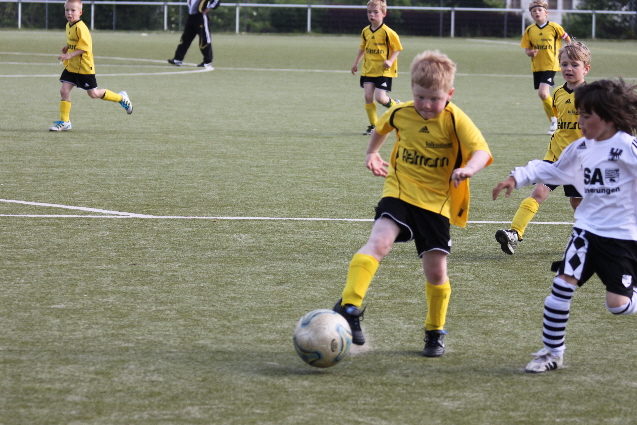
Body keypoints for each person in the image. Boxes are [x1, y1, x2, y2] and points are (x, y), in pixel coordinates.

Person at [333, 50, 492, 357]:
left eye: (435, 99)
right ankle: (349, 306)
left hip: (437, 203)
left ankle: (434, 330)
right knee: (379, 242)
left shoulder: (455, 118)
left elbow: (481, 151)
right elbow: (382, 128)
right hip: (400, 191)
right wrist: (371, 153)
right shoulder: (401, 112)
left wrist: (469, 169)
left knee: (436, 271)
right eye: (420, 97)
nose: (427, 105)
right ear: (411, 90)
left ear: (449, 95)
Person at [492, 78, 637, 373]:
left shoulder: (627, 148)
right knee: (560, 287)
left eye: (586, 116)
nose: (579, 121)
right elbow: (552, 170)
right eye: (579, 114)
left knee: (618, 305)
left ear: (608, 118)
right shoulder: (580, 148)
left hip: (621, 237)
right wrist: (517, 177)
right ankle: (552, 353)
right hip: (585, 233)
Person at [496, 41, 590, 255]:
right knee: (539, 191)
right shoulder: (557, 93)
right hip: (556, 157)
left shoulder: (593, 96)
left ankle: (588, 239)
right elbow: (560, 121)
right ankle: (514, 233)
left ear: (586, 69)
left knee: (577, 203)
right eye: (564, 64)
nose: (568, 69)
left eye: (574, 65)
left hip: (581, 161)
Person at [49, 0, 132, 132]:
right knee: (64, 91)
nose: (69, 13)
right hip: (72, 66)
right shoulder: (69, 25)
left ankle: (121, 98)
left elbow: (84, 47)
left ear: (80, 13)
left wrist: (70, 55)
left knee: (93, 94)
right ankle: (65, 122)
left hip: (84, 67)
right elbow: (75, 43)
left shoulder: (81, 28)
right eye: (67, 10)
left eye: (73, 10)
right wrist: (67, 48)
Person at [351, 0, 403, 136]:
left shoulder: (388, 32)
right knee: (368, 96)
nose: (372, 15)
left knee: (380, 98)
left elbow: (397, 48)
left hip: (383, 71)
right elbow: (363, 47)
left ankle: (397, 106)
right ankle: (374, 125)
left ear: (384, 14)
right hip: (368, 69)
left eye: (375, 12)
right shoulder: (365, 31)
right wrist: (356, 63)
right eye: (369, 12)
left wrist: (390, 61)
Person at [520, 0, 571, 135]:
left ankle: (555, 121)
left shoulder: (554, 27)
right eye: (534, 11)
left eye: (539, 10)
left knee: (542, 93)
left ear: (546, 13)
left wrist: (568, 52)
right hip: (537, 66)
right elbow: (527, 49)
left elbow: (567, 38)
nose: (537, 13)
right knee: (544, 96)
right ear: (531, 15)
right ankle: (556, 120)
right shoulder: (529, 30)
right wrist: (530, 53)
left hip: (551, 64)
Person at [167, 0, 221, 69]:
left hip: (201, 16)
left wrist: (210, 7)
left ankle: (207, 61)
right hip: (191, 16)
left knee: (204, 39)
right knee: (185, 38)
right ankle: (178, 59)